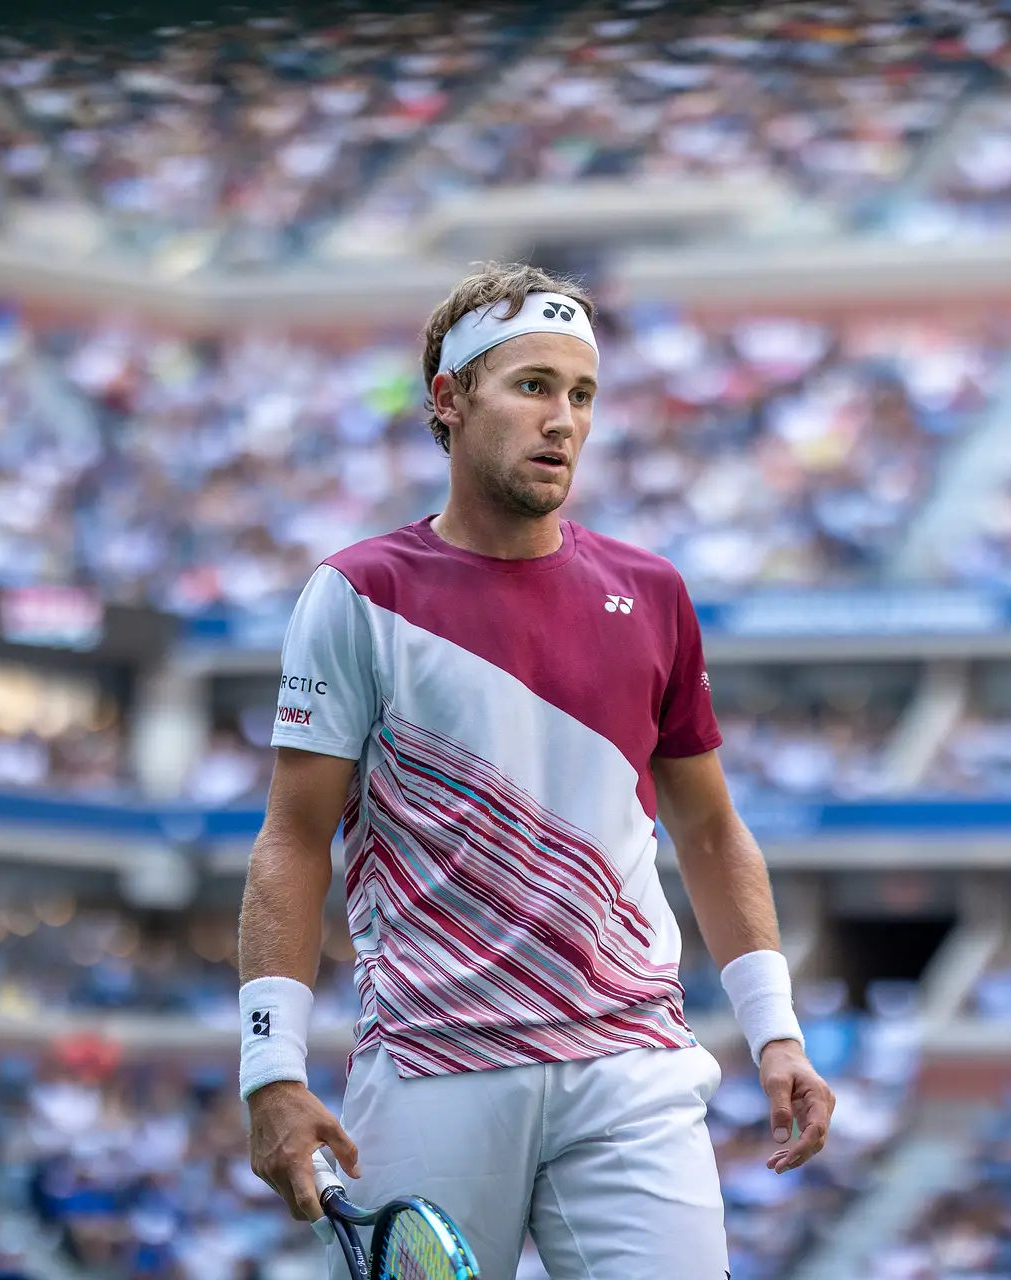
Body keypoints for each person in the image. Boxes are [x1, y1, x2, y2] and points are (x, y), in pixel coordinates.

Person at [238, 261, 836, 1280]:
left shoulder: (653, 592)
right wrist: (270, 1070)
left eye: (582, 393)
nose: (563, 418)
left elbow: (709, 829)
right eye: (531, 386)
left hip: (632, 1063)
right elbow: (294, 838)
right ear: (449, 398)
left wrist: (775, 1030)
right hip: (430, 1065)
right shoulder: (357, 592)